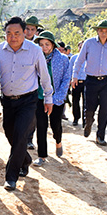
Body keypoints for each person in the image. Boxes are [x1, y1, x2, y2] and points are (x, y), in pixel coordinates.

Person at [0, 16, 53, 191]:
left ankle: (11, 176)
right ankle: (25, 159)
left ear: (24, 33)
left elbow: (44, 76)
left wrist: (48, 98)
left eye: (17, 33)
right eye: (9, 33)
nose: (13, 37)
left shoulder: (34, 50)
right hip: (8, 101)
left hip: (28, 100)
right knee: (10, 134)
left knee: (20, 136)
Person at [72, 19, 107, 146]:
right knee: (89, 108)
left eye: (106, 31)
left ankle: (100, 135)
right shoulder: (89, 43)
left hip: (106, 80)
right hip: (91, 80)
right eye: (101, 30)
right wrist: (74, 76)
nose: (103, 33)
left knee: (105, 109)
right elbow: (79, 60)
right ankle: (88, 122)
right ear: (98, 31)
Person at [32, 31, 70, 167]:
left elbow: (66, 79)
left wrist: (59, 97)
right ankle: (42, 155)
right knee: (41, 126)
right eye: (41, 45)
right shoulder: (36, 57)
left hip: (56, 97)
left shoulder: (63, 59)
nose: (44, 47)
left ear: (53, 45)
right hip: (40, 97)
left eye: (47, 44)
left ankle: (58, 141)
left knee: (55, 124)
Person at [24, 16, 42, 150]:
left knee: (32, 116)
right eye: (27, 29)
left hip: (32, 86)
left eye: (32, 29)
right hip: (17, 86)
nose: (29, 32)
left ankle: (29, 138)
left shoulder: (37, 48)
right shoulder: (15, 43)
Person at [69, 41, 86, 127]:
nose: (81, 49)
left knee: (86, 102)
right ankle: (76, 118)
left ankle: (85, 120)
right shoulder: (74, 58)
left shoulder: (90, 58)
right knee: (75, 101)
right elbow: (70, 70)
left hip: (86, 82)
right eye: (80, 47)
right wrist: (70, 81)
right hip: (76, 82)